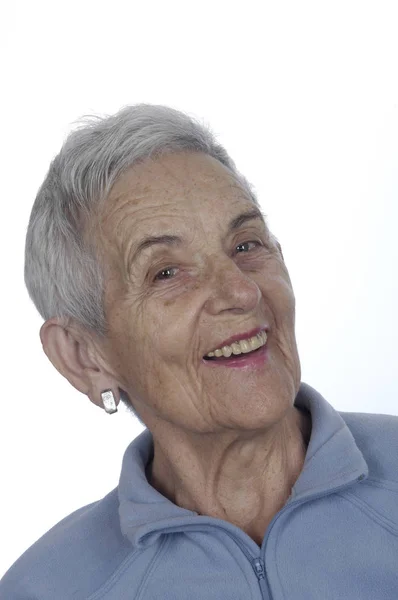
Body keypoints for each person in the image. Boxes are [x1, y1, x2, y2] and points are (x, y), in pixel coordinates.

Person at [1, 104, 397, 600]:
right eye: (166, 272)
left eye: (247, 244)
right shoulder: (45, 589)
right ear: (83, 356)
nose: (241, 292)